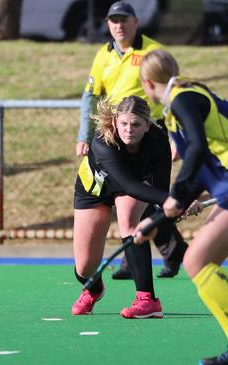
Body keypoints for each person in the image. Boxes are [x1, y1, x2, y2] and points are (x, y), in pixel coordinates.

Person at [135, 49, 228, 365]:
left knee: (199, 260)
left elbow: (198, 151)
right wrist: (163, 215)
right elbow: (201, 161)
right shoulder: (178, 105)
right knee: (195, 261)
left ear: (147, 83)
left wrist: (176, 196)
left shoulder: (183, 99)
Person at [77, 1, 187, 279]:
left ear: (136, 22)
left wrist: (174, 136)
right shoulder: (103, 54)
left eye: (124, 19)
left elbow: (171, 94)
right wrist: (85, 135)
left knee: (140, 198)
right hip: (116, 135)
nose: (119, 25)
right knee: (140, 197)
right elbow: (91, 96)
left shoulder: (152, 52)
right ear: (107, 24)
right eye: (114, 20)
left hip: (148, 134)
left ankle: (141, 256)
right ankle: (165, 249)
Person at [72, 95, 175, 319]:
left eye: (136, 124)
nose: (129, 130)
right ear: (116, 121)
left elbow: (160, 190)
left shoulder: (158, 141)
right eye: (124, 123)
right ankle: (94, 289)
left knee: (129, 223)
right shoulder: (102, 142)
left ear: (147, 125)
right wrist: (173, 201)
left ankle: (147, 300)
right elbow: (129, 183)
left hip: (131, 188)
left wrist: (174, 206)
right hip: (94, 191)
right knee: (84, 268)